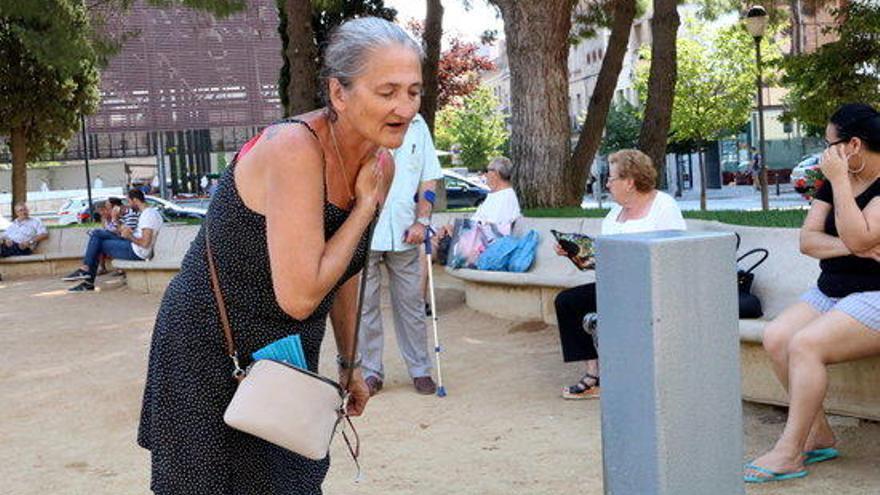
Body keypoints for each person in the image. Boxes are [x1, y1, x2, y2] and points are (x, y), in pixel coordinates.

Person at [136, 17, 419, 494]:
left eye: (413, 92)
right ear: (340, 93)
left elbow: (345, 270)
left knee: (286, 484)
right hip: (208, 342)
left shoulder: (379, 164)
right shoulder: (293, 148)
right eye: (387, 91)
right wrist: (365, 207)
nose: (404, 107)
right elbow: (301, 297)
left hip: (282, 352)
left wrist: (350, 361)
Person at [744, 103, 880, 483]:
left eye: (829, 143)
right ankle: (818, 433)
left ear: (852, 145)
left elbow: (854, 233)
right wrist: (856, 247)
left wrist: (840, 184)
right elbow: (808, 240)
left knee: (805, 344)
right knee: (776, 337)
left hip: (875, 294)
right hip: (832, 290)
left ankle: (789, 451)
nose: (824, 152)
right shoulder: (830, 181)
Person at [555, 149, 685, 399]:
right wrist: (575, 253)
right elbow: (602, 259)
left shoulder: (664, 207)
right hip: (616, 286)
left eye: (612, 178)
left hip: (652, 289)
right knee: (568, 302)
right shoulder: (614, 215)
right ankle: (595, 374)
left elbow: (673, 256)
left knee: (608, 304)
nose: (607, 183)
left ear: (630, 182)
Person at [358, 113, 442, 396]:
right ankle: (370, 372)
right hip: (365, 231)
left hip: (406, 230)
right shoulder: (362, 117)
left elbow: (428, 178)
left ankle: (420, 370)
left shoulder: (419, 127)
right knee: (364, 308)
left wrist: (423, 221)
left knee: (411, 305)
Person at [63, 189, 164, 291]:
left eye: (129, 202)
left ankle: (86, 274)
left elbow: (145, 243)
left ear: (135, 200)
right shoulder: (148, 213)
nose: (128, 206)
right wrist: (117, 221)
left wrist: (130, 236)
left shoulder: (148, 215)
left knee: (100, 241)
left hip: (137, 252)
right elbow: (136, 236)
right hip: (133, 246)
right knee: (97, 234)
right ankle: (86, 273)